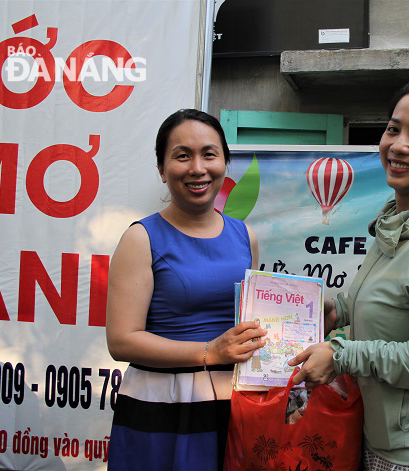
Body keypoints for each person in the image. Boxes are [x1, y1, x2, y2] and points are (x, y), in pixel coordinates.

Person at [289, 77, 409, 471]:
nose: (398, 144)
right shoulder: (396, 220)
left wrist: (344, 354)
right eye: (393, 129)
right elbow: (386, 299)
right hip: (373, 436)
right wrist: (336, 311)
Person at [106, 109, 267, 470]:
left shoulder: (246, 236)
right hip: (163, 404)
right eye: (182, 155)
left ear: (225, 162)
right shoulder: (140, 238)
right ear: (163, 170)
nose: (198, 168)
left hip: (236, 403)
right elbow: (121, 341)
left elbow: (252, 325)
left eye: (209, 154)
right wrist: (210, 351)